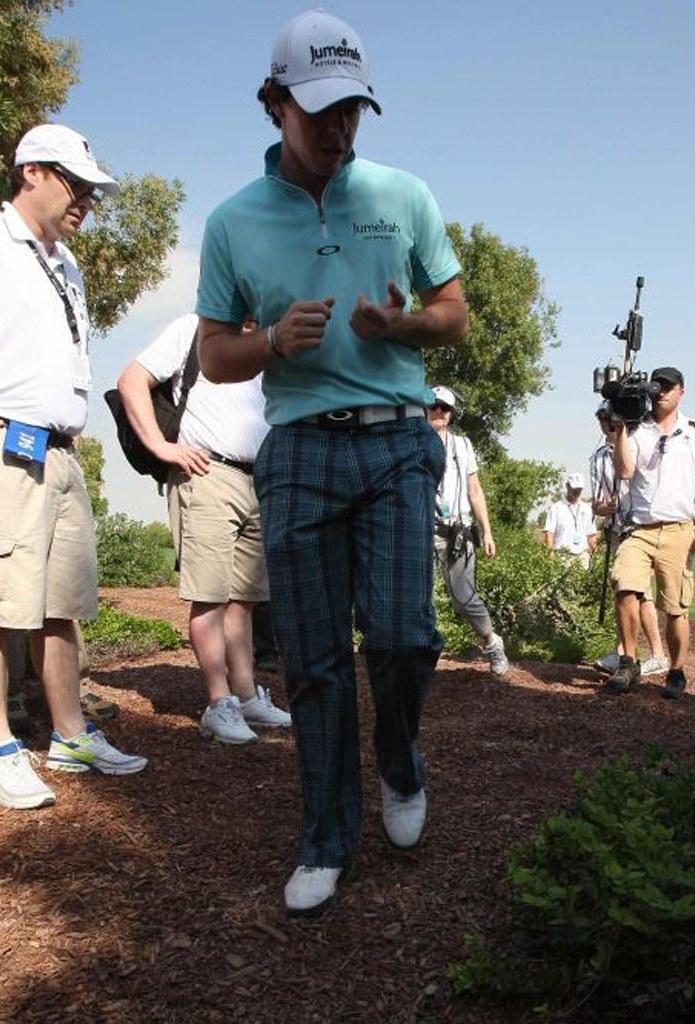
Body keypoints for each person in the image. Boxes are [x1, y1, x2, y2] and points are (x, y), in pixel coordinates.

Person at [196, 10, 468, 916]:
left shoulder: (404, 195)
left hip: (396, 437)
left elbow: (454, 316)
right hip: (302, 444)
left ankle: (399, 762)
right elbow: (212, 355)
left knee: (401, 637)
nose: (339, 130)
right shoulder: (233, 222)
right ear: (273, 103)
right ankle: (325, 838)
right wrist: (270, 339)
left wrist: (401, 325)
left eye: (352, 109)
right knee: (313, 661)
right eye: (319, 112)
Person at [0, 124, 147, 811]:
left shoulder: (66, 263)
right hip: (2, 448)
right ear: (32, 173)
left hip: (57, 450)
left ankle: (71, 735)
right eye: (76, 184)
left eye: (93, 190)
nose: (88, 200)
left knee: (62, 604)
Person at [116, 312, 291, 743]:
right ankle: (219, 702)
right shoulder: (194, 327)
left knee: (244, 600)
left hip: (256, 480)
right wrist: (162, 446)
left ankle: (246, 695)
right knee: (210, 597)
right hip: (206, 473)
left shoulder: (268, 341)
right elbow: (131, 380)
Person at [606, 366, 695, 698]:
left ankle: (676, 672)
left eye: (668, 387)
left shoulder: (694, 430)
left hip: (678, 530)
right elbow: (624, 470)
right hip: (640, 529)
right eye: (656, 386)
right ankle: (628, 662)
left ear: (681, 392)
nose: (661, 391)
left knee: (675, 608)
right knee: (624, 587)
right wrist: (619, 429)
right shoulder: (636, 429)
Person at [428, 385, 509, 675]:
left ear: (452, 414)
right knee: (417, 597)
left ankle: (491, 641)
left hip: (458, 532)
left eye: (445, 408)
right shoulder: (412, 442)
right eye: (433, 405)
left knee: (463, 598)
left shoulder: (463, 445)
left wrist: (486, 531)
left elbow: (475, 491)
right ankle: (423, 654)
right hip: (423, 530)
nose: (439, 411)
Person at [590, 403, 669, 677]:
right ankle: (628, 652)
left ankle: (643, 653)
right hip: (616, 529)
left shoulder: (639, 444)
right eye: (604, 423)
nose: (608, 428)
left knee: (637, 591)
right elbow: (596, 503)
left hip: (638, 527)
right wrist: (602, 509)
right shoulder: (598, 457)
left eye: (611, 422)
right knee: (627, 592)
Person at [543, 473, 598, 568]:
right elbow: (549, 533)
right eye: (574, 489)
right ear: (567, 486)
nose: (577, 492)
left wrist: (595, 557)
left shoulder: (587, 509)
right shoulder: (556, 508)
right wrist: (550, 555)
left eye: (579, 489)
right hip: (562, 555)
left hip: (582, 556)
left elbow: (591, 535)